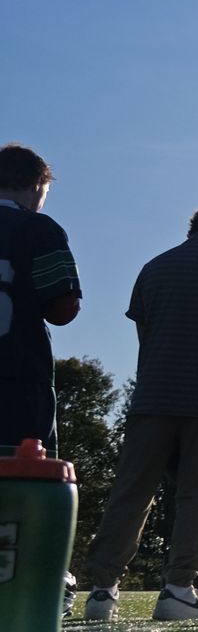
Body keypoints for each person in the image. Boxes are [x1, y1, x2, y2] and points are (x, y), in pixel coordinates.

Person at [83, 207, 198, 620]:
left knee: (131, 492)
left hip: (153, 398)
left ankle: (103, 590)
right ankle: (179, 588)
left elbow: (146, 339)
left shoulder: (154, 268)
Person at [0, 144, 82, 457]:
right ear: (37, 185)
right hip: (18, 379)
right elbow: (62, 308)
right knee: (22, 482)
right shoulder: (40, 229)